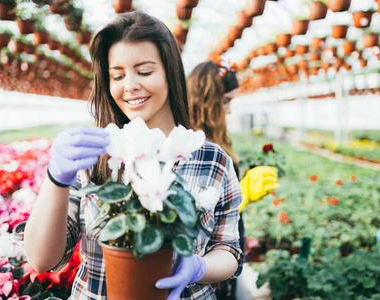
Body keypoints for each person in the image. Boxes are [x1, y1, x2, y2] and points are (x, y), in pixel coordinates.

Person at [22, 11, 243, 300]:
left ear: (170, 72)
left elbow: (229, 251)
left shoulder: (211, 159)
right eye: (117, 75)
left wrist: (199, 267)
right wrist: (55, 177)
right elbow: (42, 260)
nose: (130, 85)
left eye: (144, 71)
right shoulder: (94, 155)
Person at [187, 59, 244, 300]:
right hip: (206, 264)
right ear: (208, 101)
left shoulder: (219, 144)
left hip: (225, 250)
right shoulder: (193, 150)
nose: (229, 109)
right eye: (225, 101)